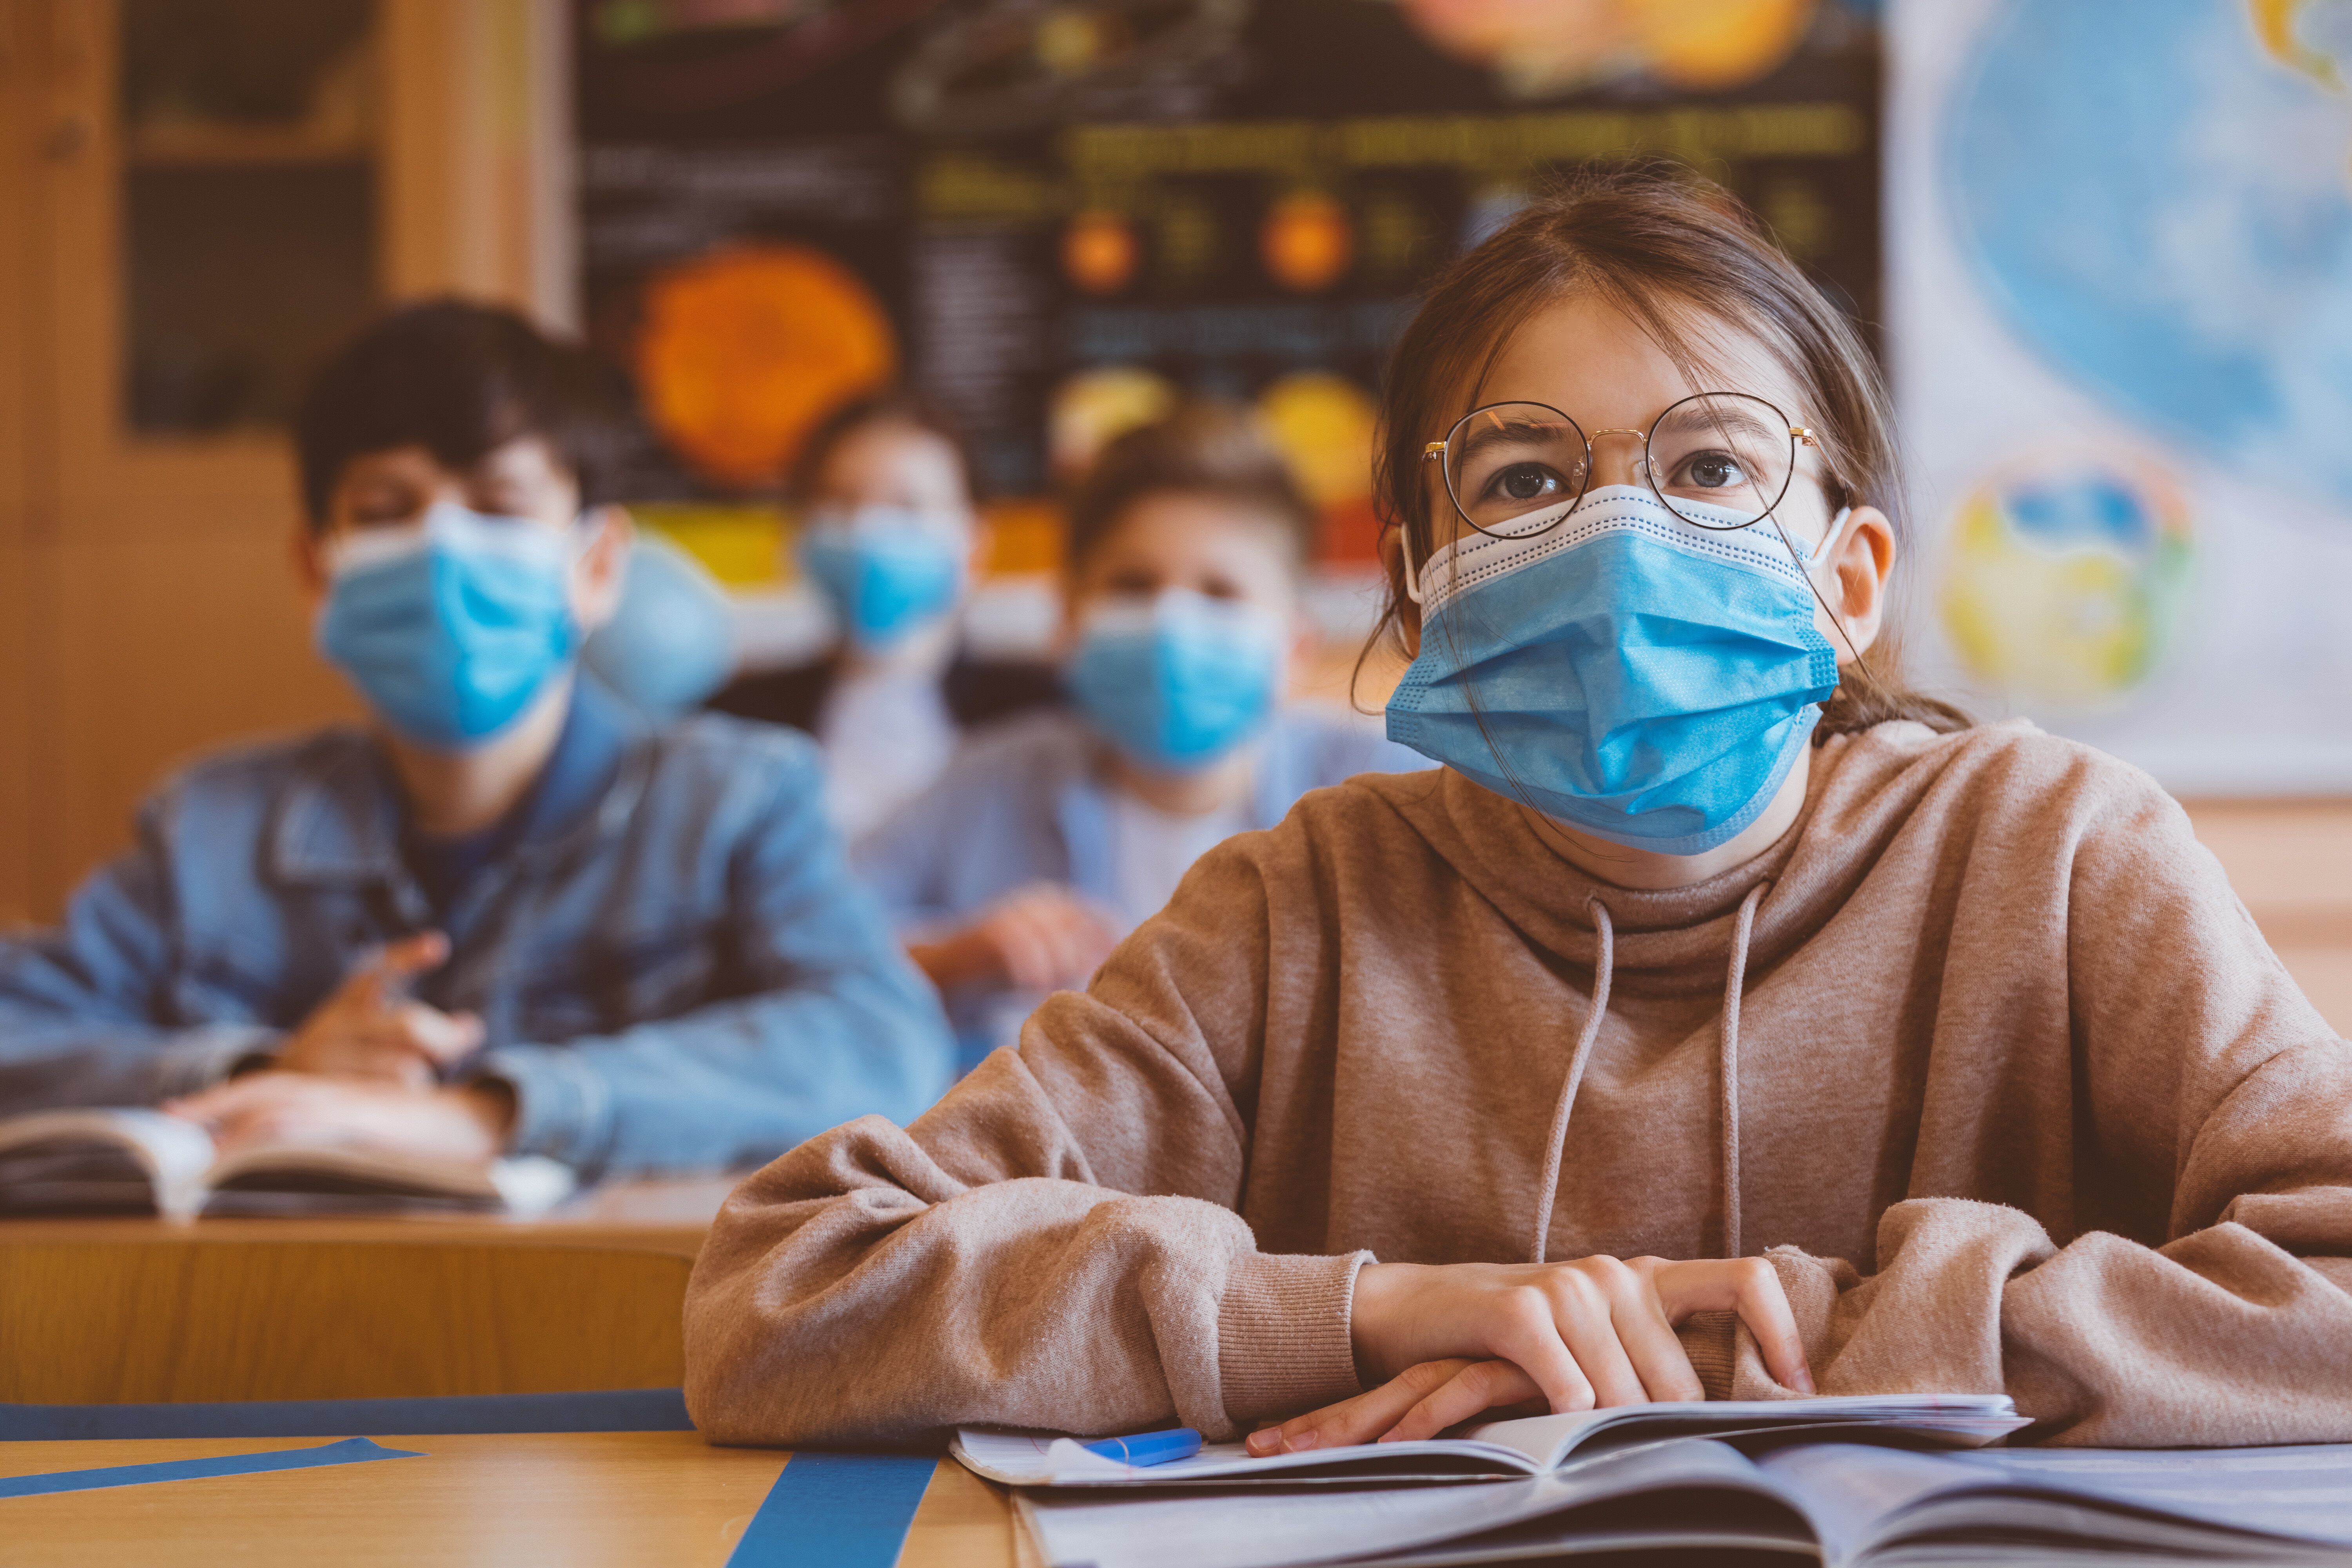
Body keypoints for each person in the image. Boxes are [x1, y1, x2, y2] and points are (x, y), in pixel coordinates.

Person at [682, 167, 2352, 1452]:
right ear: (1417, 596)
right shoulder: (1299, 908)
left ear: (1847, 582)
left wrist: (1760, 1343)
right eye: (1525, 481)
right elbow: (782, 1291)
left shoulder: (2054, 849)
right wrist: (1377, 1311)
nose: (1621, 536)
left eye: (1707, 468)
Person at [0, 301, 952, 1178]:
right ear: (313, 567)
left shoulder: (738, 802)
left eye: (498, 508)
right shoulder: (208, 827)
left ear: (597, 565)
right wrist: (268, 1065)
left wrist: (490, 1112)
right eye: (385, 512)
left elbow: (881, 1043)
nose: (443, 548)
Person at [851, 402, 1427, 1073]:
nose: (1172, 621)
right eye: (1133, 585)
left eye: (1221, 592)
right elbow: (809, 945)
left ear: (1294, 648)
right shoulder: (987, 782)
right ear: (1066, 624)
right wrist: (957, 956)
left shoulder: (1391, 791)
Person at [709, 394, 1056, 842]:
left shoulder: (1041, 716)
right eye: (839, 500)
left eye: (908, 506)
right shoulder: (734, 724)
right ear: (797, 534)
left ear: (975, 545)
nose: (867, 528)